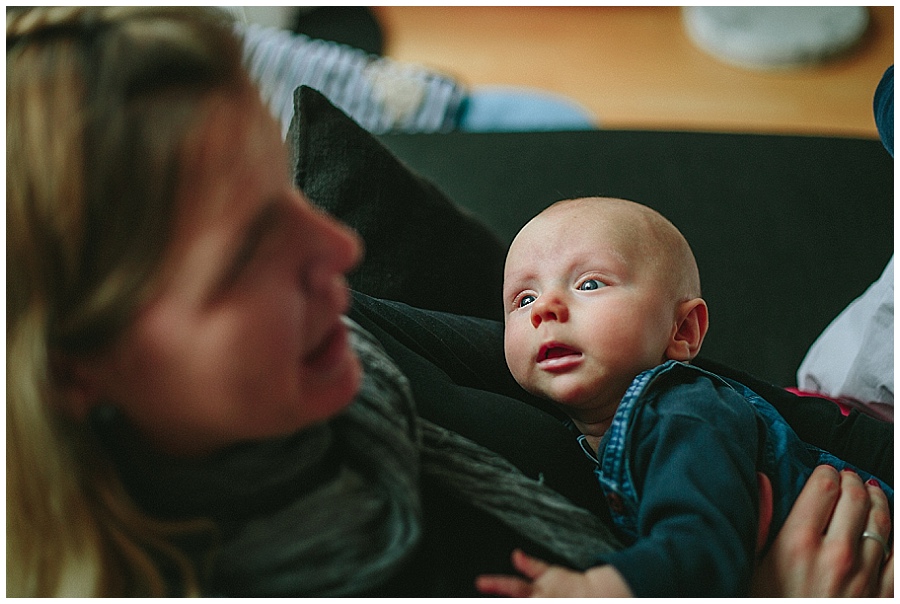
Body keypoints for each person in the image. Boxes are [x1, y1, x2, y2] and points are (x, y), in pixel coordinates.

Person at [6, 6, 892, 598]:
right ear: (74, 372)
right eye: (243, 258)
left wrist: (851, 435)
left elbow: (676, 378)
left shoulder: (349, 340)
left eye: (284, 195)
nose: (340, 249)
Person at [479, 197, 893, 597]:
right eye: (524, 298)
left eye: (589, 283)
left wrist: (602, 590)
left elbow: (703, 547)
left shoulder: (685, 411)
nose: (544, 309)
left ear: (683, 332)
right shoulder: (577, 433)